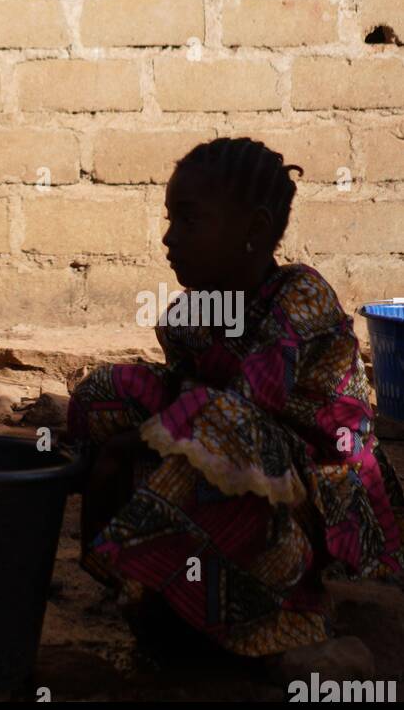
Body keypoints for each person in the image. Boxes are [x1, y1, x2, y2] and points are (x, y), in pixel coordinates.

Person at [65, 136, 404, 666]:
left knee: (216, 423)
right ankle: (146, 585)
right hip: (247, 457)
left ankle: (282, 622)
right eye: (170, 219)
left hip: (319, 491)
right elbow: (182, 396)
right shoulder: (191, 315)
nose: (168, 238)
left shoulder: (302, 297)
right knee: (107, 393)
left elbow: (248, 402)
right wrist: (109, 452)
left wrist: (121, 453)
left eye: (189, 220)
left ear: (255, 231)